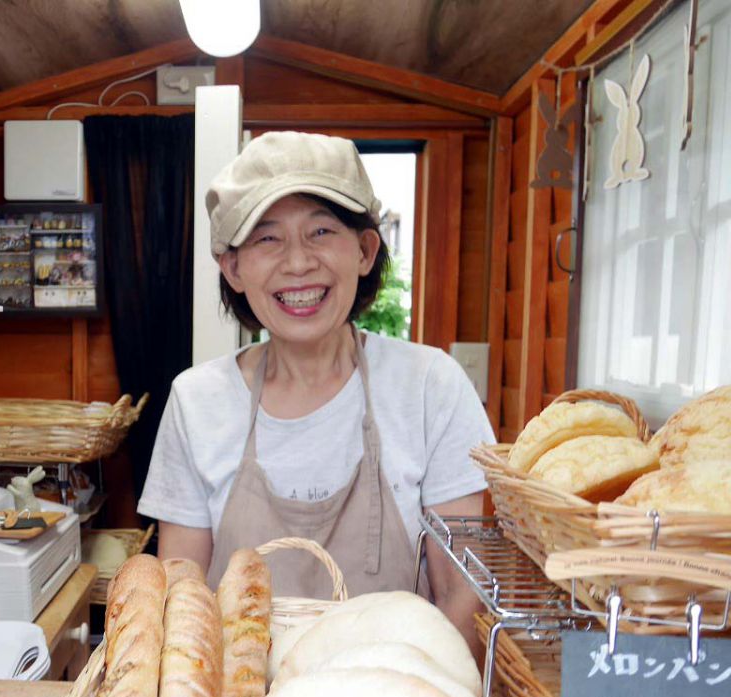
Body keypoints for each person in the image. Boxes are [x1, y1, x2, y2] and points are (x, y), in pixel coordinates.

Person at [137, 131, 494, 643]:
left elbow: (462, 598)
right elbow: (182, 602)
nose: (299, 262)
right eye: (267, 238)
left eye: (322, 231)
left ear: (366, 250)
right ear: (233, 268)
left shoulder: (429, 387)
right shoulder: (198, 401)